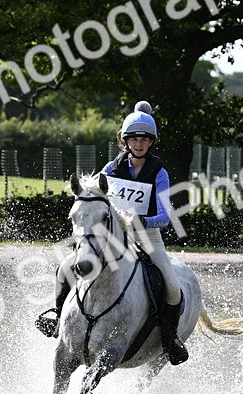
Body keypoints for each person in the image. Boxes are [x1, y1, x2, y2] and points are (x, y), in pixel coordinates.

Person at [35, 101, 189, 365]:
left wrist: (140, 220)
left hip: (147, 235)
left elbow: (165, 217)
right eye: (134, 139)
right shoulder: (110, 169)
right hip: (111, 234)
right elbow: (94, 203)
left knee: (173, 288)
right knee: (64, 268)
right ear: (124, 141)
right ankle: (58, 316)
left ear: (151, 142)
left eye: (144, 139)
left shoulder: (159, 173)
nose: (139, 144)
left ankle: (170, 339)